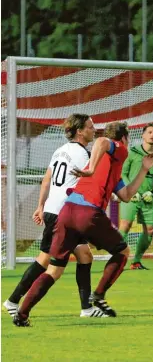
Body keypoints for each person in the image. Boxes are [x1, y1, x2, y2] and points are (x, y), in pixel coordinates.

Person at [13, 122, 153, 327]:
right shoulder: (117, 147)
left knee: (54, 270)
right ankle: (97, 296)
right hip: (87, 212)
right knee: (123, 252)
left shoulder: (111, 167)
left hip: (67, 212)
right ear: (123, 138)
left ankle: (22, 313)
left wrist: (143, 169)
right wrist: (91, 169)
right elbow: (101, 140)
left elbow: (126, 195)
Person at [3, 114, 107, 318]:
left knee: (84, 255)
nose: (93, 130)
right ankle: (15, 303)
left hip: (54, 210)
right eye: (90, 127)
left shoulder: (60, 151)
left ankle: (86, 308)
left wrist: (41, 206)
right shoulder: (82, 155)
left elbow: (47, 179)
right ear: (80, 131)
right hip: (65, 215)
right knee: (52, 267)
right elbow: (88, 184)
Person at [118, 123, 153, 270]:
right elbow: (123, 173)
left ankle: (136, 261)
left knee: (150, 230)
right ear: (143, 135)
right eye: (150, 132)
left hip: (148, 198)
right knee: (125, 226)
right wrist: (129, 190)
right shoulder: (132, 153)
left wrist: (152, 192)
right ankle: (117, 260)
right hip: (130, 196)